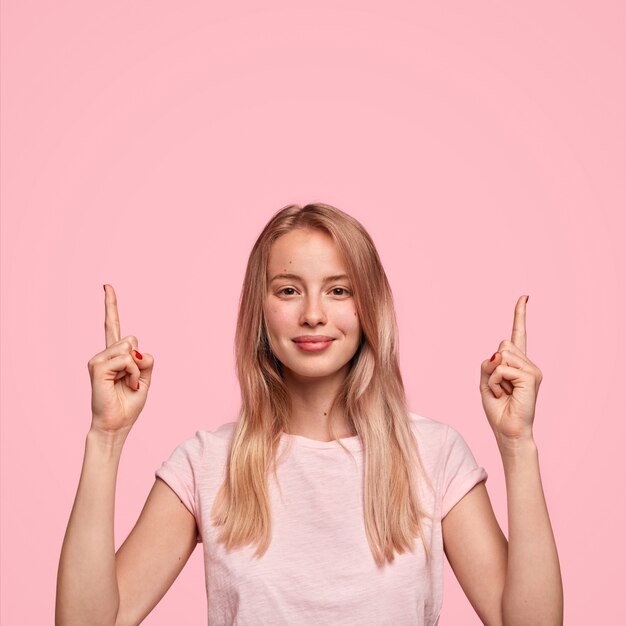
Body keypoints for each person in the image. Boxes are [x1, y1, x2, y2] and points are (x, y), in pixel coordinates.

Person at [55, 203, 563, 625]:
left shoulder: (434, 456)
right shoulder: (205, 464)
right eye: (289, 289)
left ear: (370, 309)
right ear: (262, 309)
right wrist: (106, 437)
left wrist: (518, 445)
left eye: (339, 290)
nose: (313, 313)